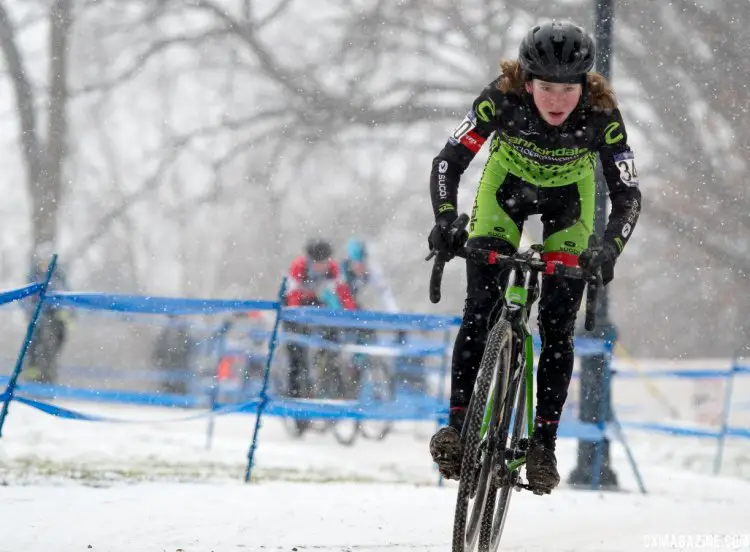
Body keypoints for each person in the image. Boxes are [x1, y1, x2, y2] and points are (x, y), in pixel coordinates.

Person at [426, 21, 642, 493]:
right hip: (504, 194)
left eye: (569, 88)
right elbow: (448, 161)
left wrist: (608, 249)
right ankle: (458, 429)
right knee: (479, 311)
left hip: (571, 202)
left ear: (584, 84)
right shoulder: (500, 99)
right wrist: (446, 220)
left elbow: (627, 194)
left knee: (558, 325)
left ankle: (543, 443)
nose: (558, 99)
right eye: (546, 87)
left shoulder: (602, 114)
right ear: (527, 81)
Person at [283, 238, 357, 400]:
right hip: (292, 304)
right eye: (317, 263)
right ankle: (295, 392)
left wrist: (352, 316)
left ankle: (336, 386)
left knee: (333, 341)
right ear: (309, 260)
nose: (321, 267)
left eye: (324, 263)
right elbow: (293, 298)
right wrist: (299, 321)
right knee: (296, 349)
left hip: (315, 301)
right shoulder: (298, 267)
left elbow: (343, 293)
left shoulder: (333, 269)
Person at [23, 243, 71, 385]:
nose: (44, 264)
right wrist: (32, 312)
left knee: (54, 345)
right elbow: (26, 298)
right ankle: (34, 378)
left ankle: (48, 378)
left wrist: (65, 312)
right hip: (38, 315)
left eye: (47, 261)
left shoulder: (59, 276)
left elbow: (67, 294)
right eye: (42, 261)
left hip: (56, 317)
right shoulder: (34, 276)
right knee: (37, 344)